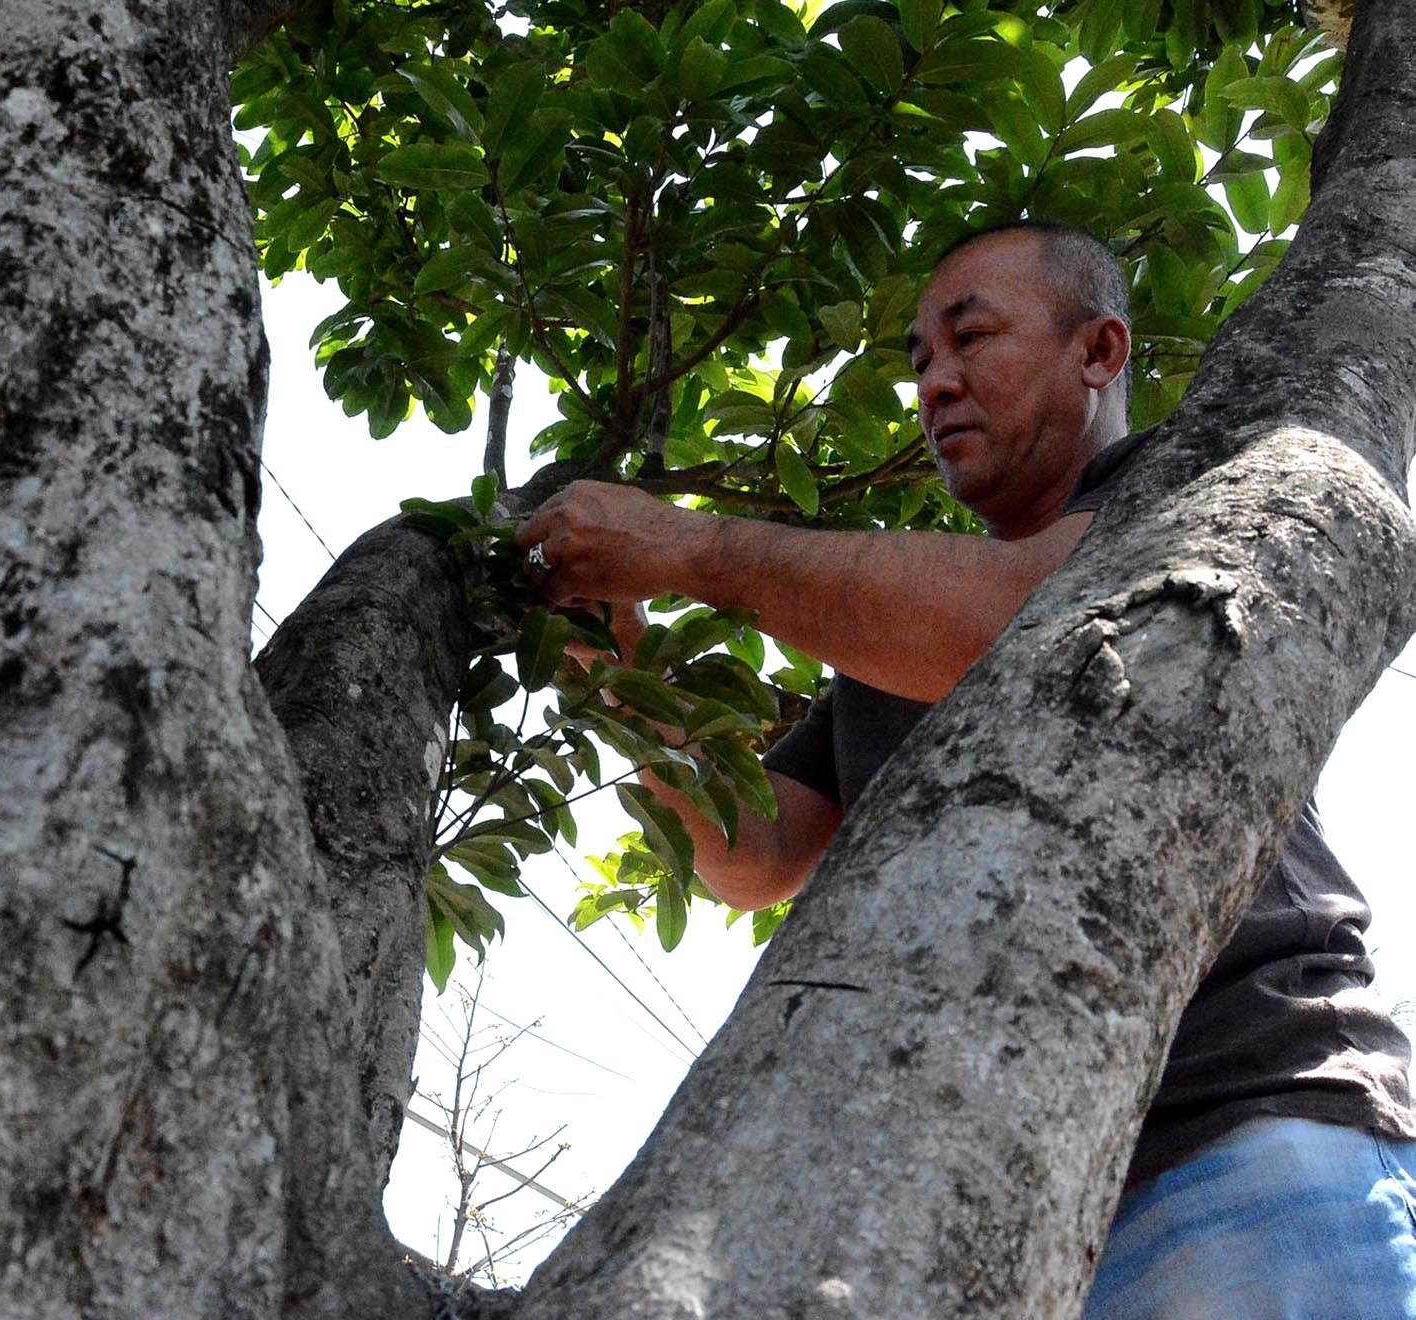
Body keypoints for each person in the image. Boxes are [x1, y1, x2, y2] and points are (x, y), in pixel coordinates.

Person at [516, 221, 1416, 1317]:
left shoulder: (1186, 486)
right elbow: (750, 855)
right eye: (918, 363)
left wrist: (693, 549)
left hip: (1250, 1140)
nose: (936, 382)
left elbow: (1027, 617)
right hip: (1004, 1216)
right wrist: (617, 664)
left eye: (970, 337)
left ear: (1100, 352)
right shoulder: (891, 637)